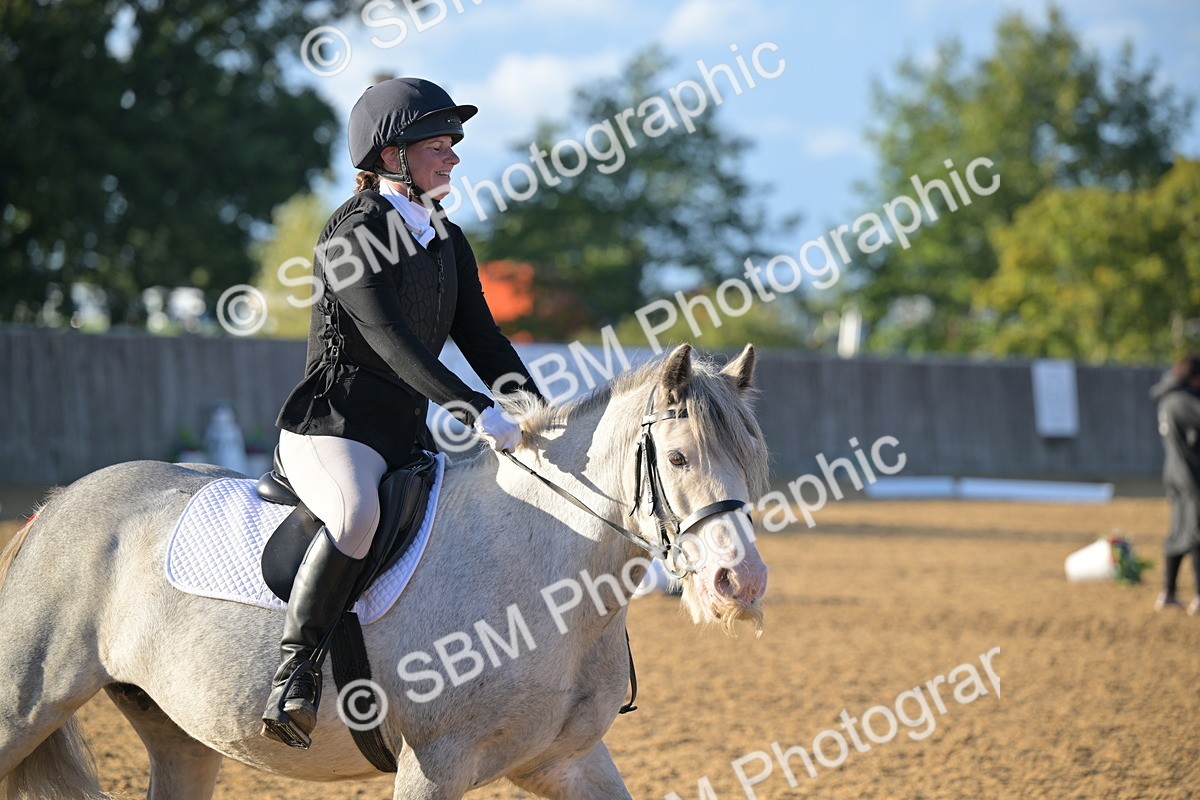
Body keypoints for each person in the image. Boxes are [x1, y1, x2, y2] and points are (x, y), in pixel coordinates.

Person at [261, 77, 544, 747]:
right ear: (392, 157)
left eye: (452, 145)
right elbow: (393, 345)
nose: (452, 158)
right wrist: (477, 410)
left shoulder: (447, 238)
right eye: (438, 146)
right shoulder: (351, 235)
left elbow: (484, 340)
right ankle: (293, 674)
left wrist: (534, 409)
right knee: (358, 512)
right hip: (334, 427)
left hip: (404, 434)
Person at [1149, 354, 1200, 614]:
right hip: (1192, 477)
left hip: (1174, 474)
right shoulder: (1185, 401)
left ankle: (1168, 592)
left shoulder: (1167, 400)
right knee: (1196, 535)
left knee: (1178, 533)